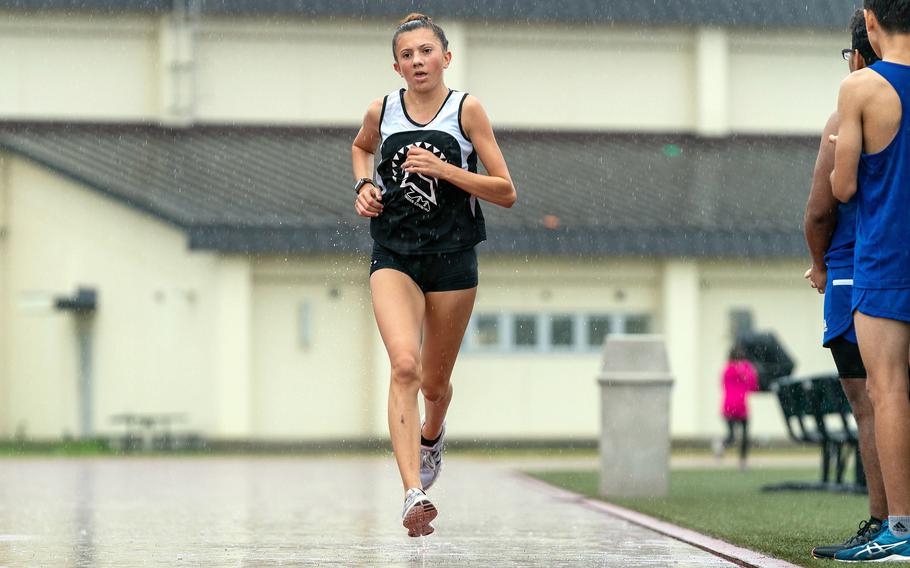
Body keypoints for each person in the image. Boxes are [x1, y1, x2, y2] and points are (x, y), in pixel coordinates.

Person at [351, 13, 516, 538]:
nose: (417, 61)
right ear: (395, 65)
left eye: (426, 52)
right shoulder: (382, 109)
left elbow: (505, 190)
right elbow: (361, 149)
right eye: (407, 54)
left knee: (435, 383)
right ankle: (411, 493)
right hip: (394, 252)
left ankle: (431, 434)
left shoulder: (466, 111)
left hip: (452, 256)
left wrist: (444, 169)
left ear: (446, 58)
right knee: (404, 365)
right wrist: (362, 187)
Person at [804, 10, 888, 560]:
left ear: (858, 54)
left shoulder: (845, 115)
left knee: (871, 407)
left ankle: (885, 520)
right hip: (897, 271)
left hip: (853, 275)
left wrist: (818, 265)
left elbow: (819, 211)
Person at [830, 0, 910, 561]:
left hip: (885, 260)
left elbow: (841, 188)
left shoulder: (860, 88)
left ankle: (900, 530)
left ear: (870, 20)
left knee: (888, 393)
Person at [717, 344, 758, 470]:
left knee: (736, 436)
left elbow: (723, 385)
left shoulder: (728, 369)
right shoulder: (742, 369)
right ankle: (742, 461)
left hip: (732, 406)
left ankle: (724, 447)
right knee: (739, 436)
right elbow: (752, 385)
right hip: (736, 406)